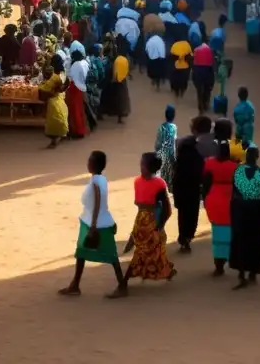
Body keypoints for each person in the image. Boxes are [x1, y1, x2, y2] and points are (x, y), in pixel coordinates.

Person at [59, 151, 127, 297]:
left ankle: (122, 286)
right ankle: (75, 285)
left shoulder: (95, 181)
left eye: (90, 161)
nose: (87, 163)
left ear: (94, 165)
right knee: (82, 253)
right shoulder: (101, 179)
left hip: (97, 224)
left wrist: (94, 225)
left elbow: (97, 202)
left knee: (110, 256)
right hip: (92, 220)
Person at [124, 152, 176, 287]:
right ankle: (166, 271)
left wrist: (159, 225)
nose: (140, 166)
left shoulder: (159, 183)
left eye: (143, 164)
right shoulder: (140, 181)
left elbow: (167, 208)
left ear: (150, 167)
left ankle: (123, 283)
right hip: (142, 219)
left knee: (143, 251)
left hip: (151, 221)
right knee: (153, 252)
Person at [229, 145, 260, 289]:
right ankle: (253, 272)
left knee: (241, 242)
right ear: (257, 157)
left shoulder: (238, 171)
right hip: (257, 214)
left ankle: (241, 273)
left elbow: (234, 192)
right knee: (256, 242)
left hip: (240, 212)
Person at [202, 141, 238, 276]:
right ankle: (229, 259)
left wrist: (205, 200)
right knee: (230, 231)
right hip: (230, 200)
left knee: (217, 232)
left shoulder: (209, 164)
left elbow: (205, 184)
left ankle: (218, 264)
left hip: (214, 198)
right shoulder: (235, 166)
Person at [172, 116, 207, 253]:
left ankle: (183, 237)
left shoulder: (180, 158)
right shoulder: (198, 157)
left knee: (182, 215)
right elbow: (201, 175)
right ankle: (188, 237)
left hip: (181, 190)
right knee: (192, 215)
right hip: (193, 191)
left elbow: (175, 175)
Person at [100, 37, 131, 123]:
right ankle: (119, 116)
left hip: (112, 78)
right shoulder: (122, 59)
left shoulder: (112, 55)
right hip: (119, 80)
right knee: (120, 98)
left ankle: (107, 113)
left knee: (112, 97)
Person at [40, 64, 70, 149]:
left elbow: (44, 91)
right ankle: (60, 136)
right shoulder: (58, 77)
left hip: (54, 103)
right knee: (58, 120)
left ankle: (55, 140)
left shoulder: (51, 80)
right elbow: (67, 81)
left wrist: (58, 90)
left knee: (54, 122)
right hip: (58, 101)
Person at [66, 49, 90, 139]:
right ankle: (80, 130)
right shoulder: (83, 64)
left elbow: (70, 78)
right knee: (79, 110)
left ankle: (76, 131)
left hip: (74, 88)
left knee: (74, 110)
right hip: (80, 88)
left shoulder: (75, 65)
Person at [155, 105, 177, 185]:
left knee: (160, 176)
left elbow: (158, 142)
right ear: (174, 116)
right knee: (168, 179)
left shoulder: (161, 127)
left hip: (161, 154)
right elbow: (172, 142)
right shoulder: (173, 127)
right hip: (169, 155)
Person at [191, 41, 215, 114]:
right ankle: (205, 103)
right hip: (207, 70)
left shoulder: (196, 50)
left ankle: (200, 106)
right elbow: (212, 63)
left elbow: (194, 62)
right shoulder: (210, 50)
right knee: (207, 89)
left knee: (199, 90)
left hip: (198, 70)